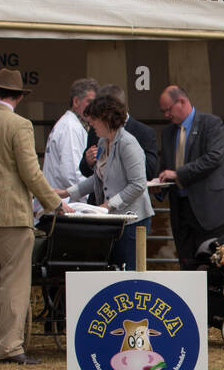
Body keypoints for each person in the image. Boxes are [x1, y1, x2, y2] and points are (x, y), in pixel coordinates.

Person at [0, 68, 72, 365]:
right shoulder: (19, 125)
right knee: (13, 280)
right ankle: (8, 346)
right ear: (19, 96)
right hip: (9, 213)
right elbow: (30, 172)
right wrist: (54, 204)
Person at [58, 92, 154, 269]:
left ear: (106, 119)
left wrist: (109, 205)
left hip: (133, 220)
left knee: (129, 270)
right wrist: (67, 192)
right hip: (115, 219)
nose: (91, 123)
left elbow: (138, 185)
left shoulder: (128, 143)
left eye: (94, 119)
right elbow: (98, 177)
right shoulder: (103, 141)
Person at [156, 85, 224, 268]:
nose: (166, 116)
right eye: (163, 111)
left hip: (210, 209)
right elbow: (166, 167)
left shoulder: (211, 123)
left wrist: (178, 174)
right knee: (187, 262)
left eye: (168, 110)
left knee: (213, 265)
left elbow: (214, 157)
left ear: (182, 102)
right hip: (182, 209)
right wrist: (159, 184)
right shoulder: (168, 132)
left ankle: (214, 297)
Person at [79, 84, 158, 188]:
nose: (93, 122)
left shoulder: (139, 135)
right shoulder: (97, 133)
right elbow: (92, 173)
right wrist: (88, 162)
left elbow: (146, 174)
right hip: (99, 198)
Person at [44, 77, 97, 195]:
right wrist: (92, 198)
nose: (93, 107)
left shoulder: (71, 124)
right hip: (69, 204)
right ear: (76, 102)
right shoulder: (70, 127)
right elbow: (72, 174)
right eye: (89, 102)